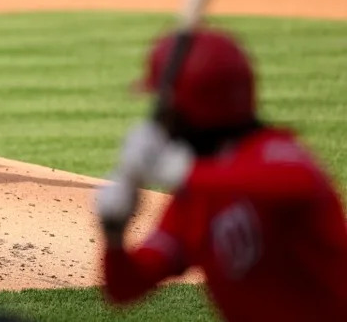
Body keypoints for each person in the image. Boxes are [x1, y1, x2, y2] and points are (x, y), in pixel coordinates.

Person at [95, 29, 347, 321]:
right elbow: (126, 288)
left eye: (169, 112)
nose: (164, 125)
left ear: (194, 111)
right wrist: (113, 235)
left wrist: (179, 170)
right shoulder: (197, 197)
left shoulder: (275, 151)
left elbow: (296, 182)